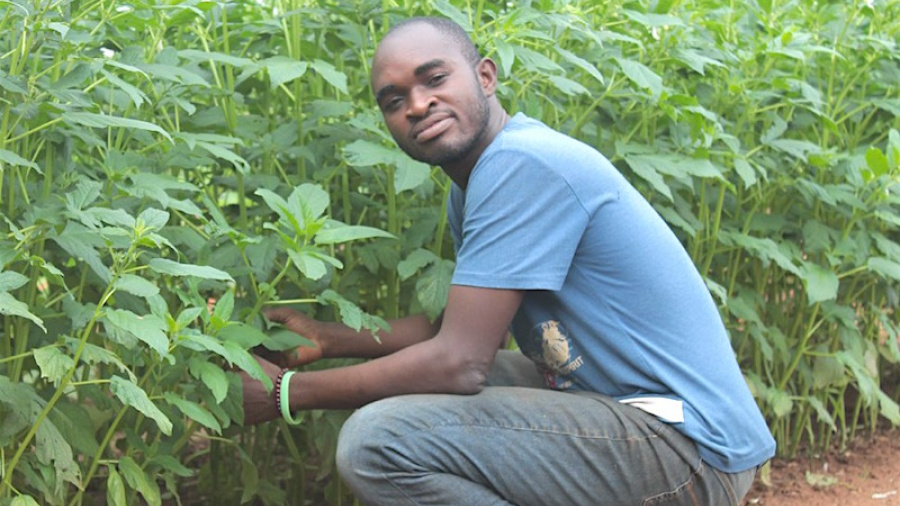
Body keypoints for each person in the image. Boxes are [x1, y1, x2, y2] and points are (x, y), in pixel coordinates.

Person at [241, 16, 776, 505]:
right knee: (434, 386)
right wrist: (330, 339)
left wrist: (286, 393)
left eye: (434, 79)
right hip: (641, 426)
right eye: (393, 100)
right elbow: (464, 333)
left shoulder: (521, 166)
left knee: (376, 441)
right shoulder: (475, 183)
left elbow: (459, 362)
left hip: (689, 451)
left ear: (486, 76)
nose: (417, 105)